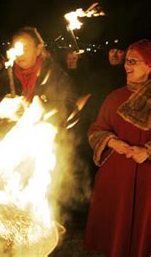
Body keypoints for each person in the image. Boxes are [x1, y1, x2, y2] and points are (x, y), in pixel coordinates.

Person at [84, 39, 151, 257]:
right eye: (126, 60)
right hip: (117, 182)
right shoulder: (115, 98)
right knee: (115, 237)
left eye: (133, 61)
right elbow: (96, 130)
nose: (126, 66)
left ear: (149, 65)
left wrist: (148, 151)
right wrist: (113, 142)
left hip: (146, 183)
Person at [0, 27, 77, 132]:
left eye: (26, 48)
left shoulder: (55, 75)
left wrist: (40, 111)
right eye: (16, 48)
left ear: (38, 50)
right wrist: (4, 110)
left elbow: (70, 106)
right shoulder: (3, 79)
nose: (20, 53)